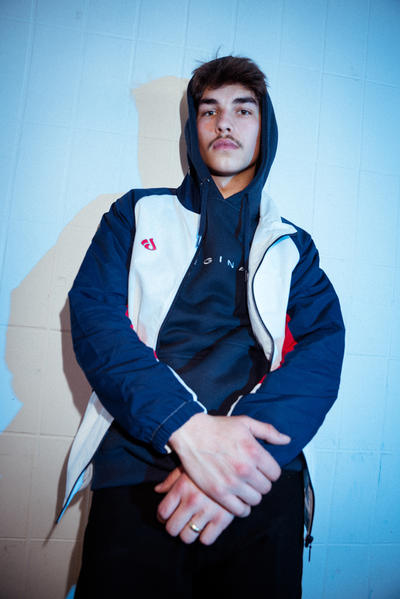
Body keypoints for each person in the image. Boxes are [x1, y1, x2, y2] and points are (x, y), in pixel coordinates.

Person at [61, 56, 345, 598]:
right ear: (192, 128)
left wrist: (233, 464)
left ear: (264, 128)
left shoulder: (294, 247)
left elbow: (320, 354)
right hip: (142, 466)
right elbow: (97, 321)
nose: (224, 123)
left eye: (243, 109)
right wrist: (185, 428)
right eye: (208, 110)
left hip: (259, 478)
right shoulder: (134, 215)